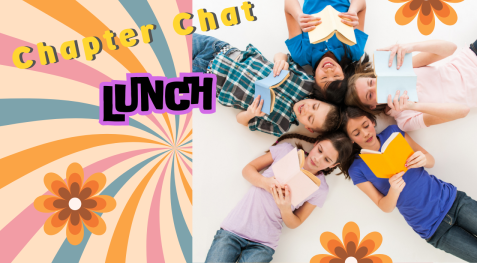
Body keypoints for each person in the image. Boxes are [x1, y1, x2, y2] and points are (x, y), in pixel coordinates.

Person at [339, 106, 477, 261]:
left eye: (365, 125)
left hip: (454, 202)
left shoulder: (393, 133)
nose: (365, 133)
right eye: (356, 133)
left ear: (372, 121)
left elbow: (430, 160)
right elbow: (384, 206)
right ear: (350, 139)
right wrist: (394, 190)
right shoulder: (357, 168)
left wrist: (423, 159)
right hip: (434, 230)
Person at [205, 131, 353, 263]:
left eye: (327, 160)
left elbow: (296, 222)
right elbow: (247, 170)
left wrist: (285, 209)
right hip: (234, 230)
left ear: (334, 165)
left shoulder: (320, 189)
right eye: (319, 150)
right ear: (316, 143)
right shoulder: (286, 151)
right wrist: (265, 183)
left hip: (263, 245)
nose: (318, 158)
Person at [192, 33, 341, 137]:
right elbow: (282, 55)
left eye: (310, 118)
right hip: (219, 50)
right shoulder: (306, 82)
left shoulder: (280, 125)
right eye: (314, 107)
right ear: (317, 100)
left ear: (308, 128)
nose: (307, 110)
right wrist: (280, 61)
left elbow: (241, 120)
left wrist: (251, 113)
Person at [345, 39, 476, 131]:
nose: (376, 86)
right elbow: (463, 111)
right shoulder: (405, 120)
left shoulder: (400, 69)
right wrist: (413, 105)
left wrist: (411, 47)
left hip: (472, 56)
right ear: (372, 106)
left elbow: (450, 48)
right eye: (370, 94)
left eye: (371, 82)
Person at [284, 0, 369, 104]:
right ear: (344, 75)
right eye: (336, 75)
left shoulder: (300, 54)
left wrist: (298, 16)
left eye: (324, 78)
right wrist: (353, 11)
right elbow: (361, 0)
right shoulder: (354, 50)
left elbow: (288, 0)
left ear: (314, 78)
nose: (329, 70)